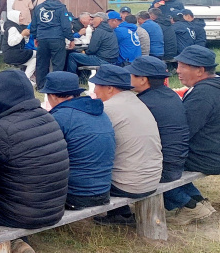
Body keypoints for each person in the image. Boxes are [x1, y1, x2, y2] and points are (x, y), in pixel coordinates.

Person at [0, 69, 69, 230]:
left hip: (20, 216)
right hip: (53, 210)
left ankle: (16, 243)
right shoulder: (48, 118)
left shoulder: (2, 131)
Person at [89, 65, 163, 225]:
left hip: (130, 184)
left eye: (96, 85)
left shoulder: (108, 108)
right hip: (153, 177)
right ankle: (120, 214)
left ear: (109, 88)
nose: (94, 91)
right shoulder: (136, 101)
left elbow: (91, 147)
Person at [38, 71, 115, 209]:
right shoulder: (100, 112)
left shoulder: (60, 117)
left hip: (76, 194)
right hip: (104, 190)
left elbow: (42, 156)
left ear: (53, 96)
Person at [126, 56, 191, 209]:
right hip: (179, 160)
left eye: (131, 74)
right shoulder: (169, 94)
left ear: (143, 80)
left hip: (163, 168)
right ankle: (195, 200)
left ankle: (189, 205)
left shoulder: (144, 103)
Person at [165, 45, 220, 224]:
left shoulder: (203, 94)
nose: (177, 71)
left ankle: (188, 205)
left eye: (182, 66)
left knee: (150, 162)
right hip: (213, 149)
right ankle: (196, 200)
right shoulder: (213, 85)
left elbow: (183, 132)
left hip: (208, 156)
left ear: (200, 70)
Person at [30, 0, 72, 88]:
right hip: (57, 38)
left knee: (42, 63)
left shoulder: (39, 7)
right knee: (58, 63)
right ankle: (56, 86)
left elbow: (34, 24)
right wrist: (71, 38)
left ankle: (41, 86)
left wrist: (35, 37)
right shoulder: (62, 8)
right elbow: (66, 26)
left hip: (42, 38)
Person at [0, 10, 36, 81]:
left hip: (12, 54)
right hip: (13, 54)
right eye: (20, 16)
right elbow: (11, 42)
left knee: (34, 60)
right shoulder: (12, 28)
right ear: (14, 17)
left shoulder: (15, 27)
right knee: (38, 54)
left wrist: (25, 36)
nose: (22, 18)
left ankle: (26, 78)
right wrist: (22, 35)